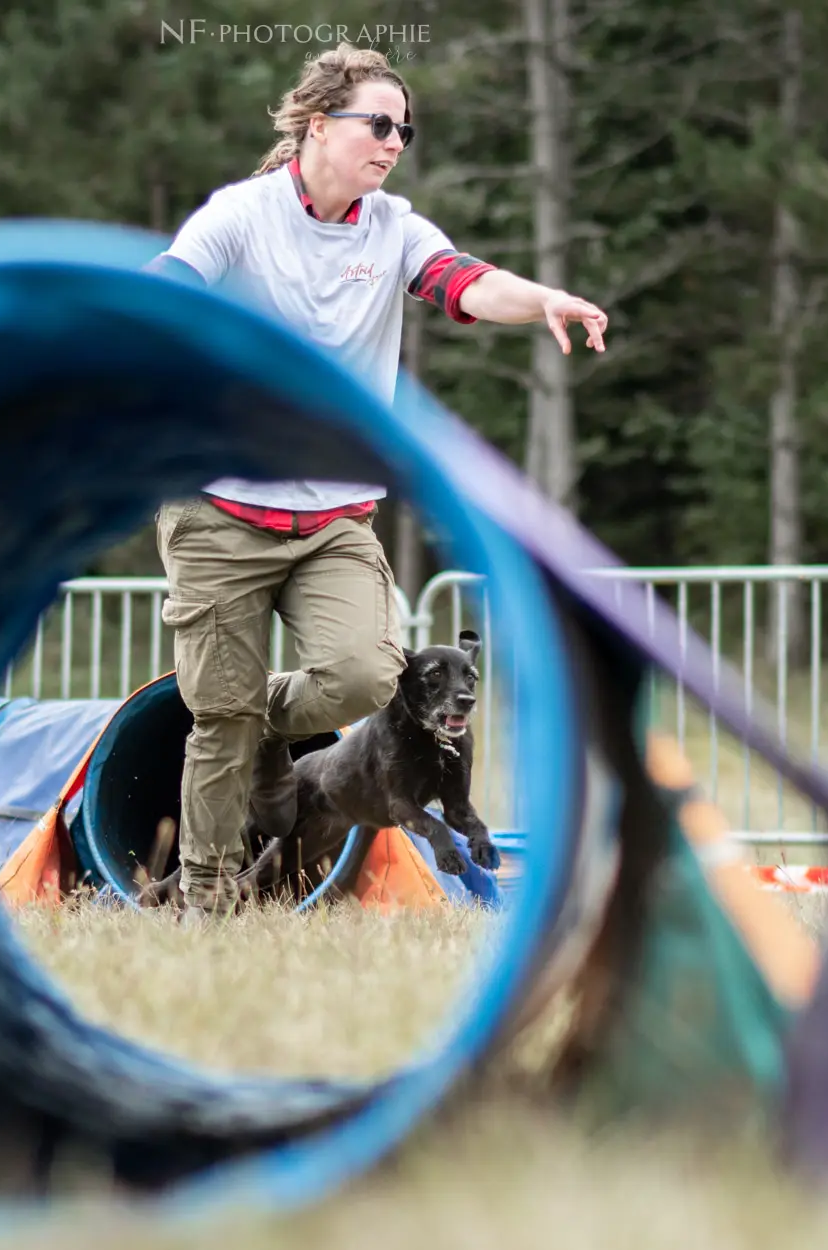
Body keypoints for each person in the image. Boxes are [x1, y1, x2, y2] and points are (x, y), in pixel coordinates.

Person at [145, 42, 609, 915]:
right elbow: (168, 288)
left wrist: (541, 299)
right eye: (380, 124)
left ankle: (244, 709)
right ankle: (206, 895)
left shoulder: (394, 227)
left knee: (363, 678)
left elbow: (464, 283)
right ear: (319, 125)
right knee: (223, 719)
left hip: (332, 519)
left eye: (407, 129)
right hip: (219, 509)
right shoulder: (241, 217)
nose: (396, 142)